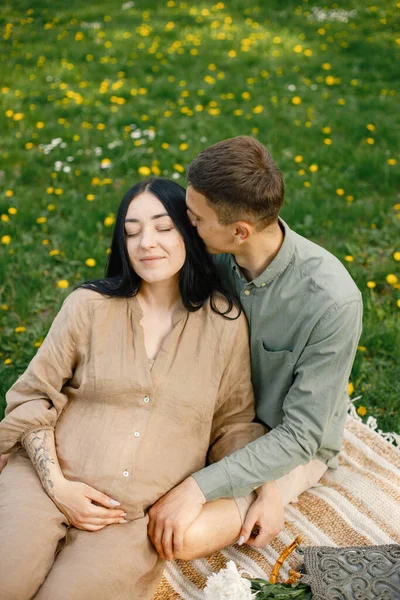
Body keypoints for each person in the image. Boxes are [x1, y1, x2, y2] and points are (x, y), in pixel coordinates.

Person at [0, 178, 270, 599]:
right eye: (132, 231)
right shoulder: (88, 306)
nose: (147, 242)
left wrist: (262, 494)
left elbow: (233, 425)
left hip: (133, 521)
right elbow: (33, 395)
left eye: (163, 227)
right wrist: (58, 487)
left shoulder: (226, 325)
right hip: (43, 485)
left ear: (189, 232)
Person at [148, 136, 363, 561]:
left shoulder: (332, 302)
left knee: (184, 534)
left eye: (195, 218)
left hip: (287, 442)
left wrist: (202, 488)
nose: (184, 225)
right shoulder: (213, 253)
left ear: (239, 231)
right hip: (216, 414)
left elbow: (301, 436)